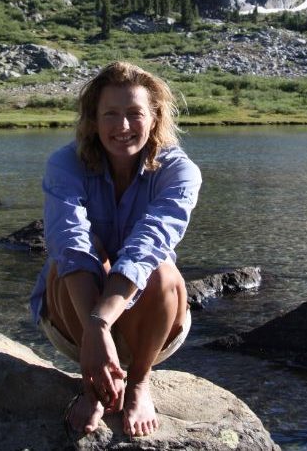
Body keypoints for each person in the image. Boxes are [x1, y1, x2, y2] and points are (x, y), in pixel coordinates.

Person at [30, 61, 201, 438]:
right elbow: (70, 241)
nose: (122, 127)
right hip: (72, 321)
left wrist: (101, 321)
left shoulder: (179, 171)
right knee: (72, 255)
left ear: (155, 117)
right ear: (92, 119)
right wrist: (93, 330)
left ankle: (139, 381)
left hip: (152, 329)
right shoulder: (65, 164)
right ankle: (92, 386)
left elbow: (150, 243)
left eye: (134, 114)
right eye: (110, 114)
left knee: (159, 265)